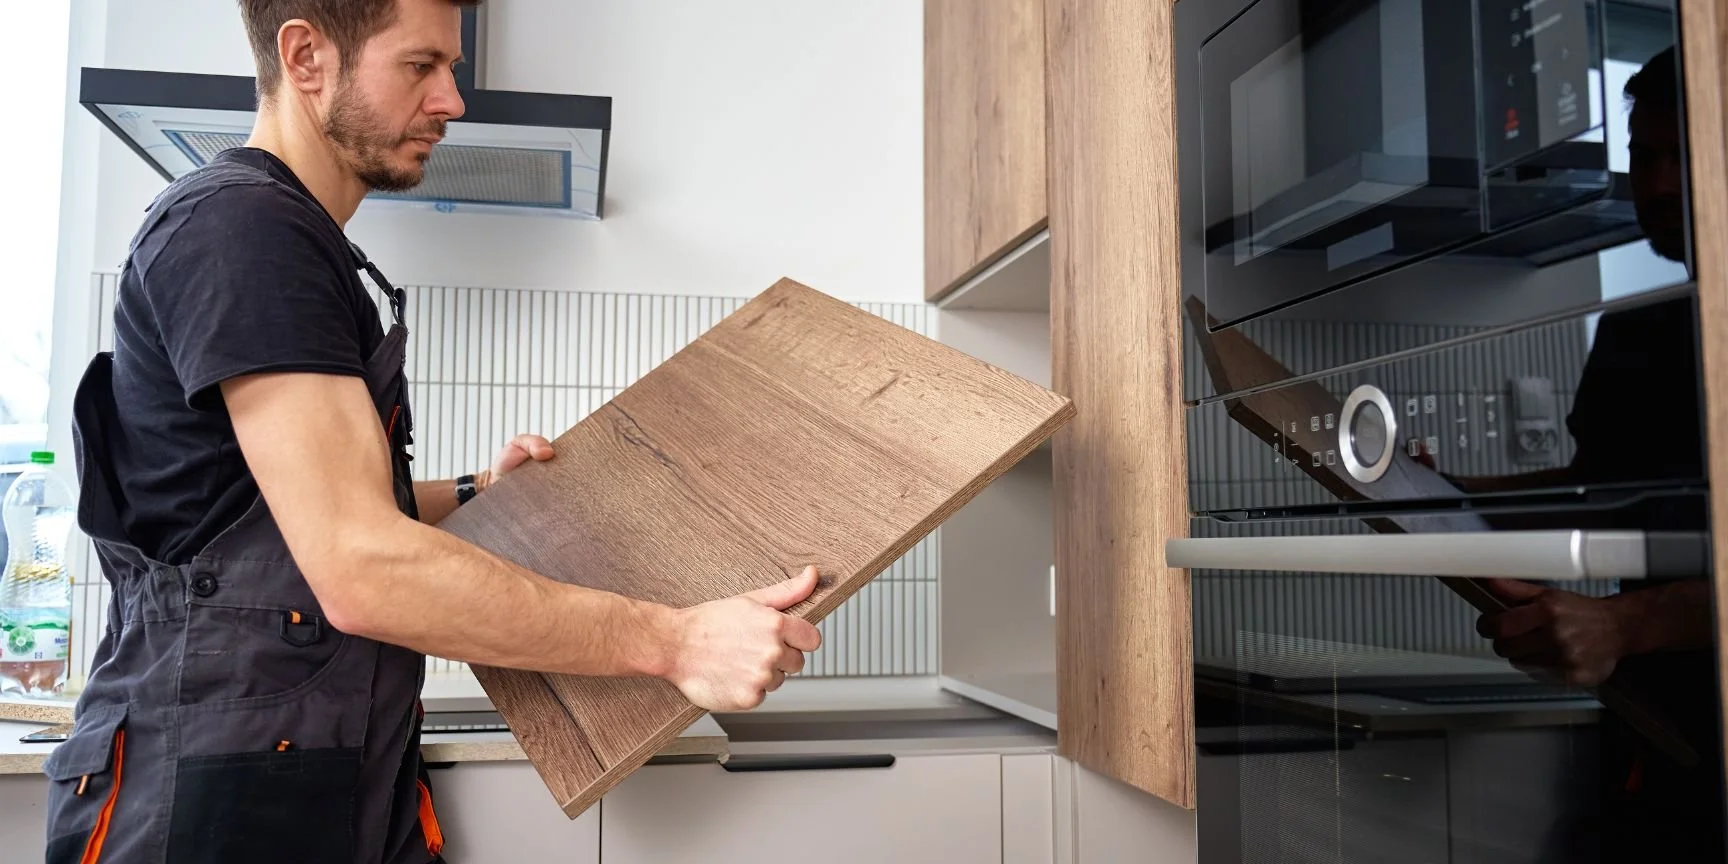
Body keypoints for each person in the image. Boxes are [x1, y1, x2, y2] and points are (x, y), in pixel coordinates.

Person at [41, 1, 822, 862]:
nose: (453, 100)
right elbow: (361, 566)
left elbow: (270, 522)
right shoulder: (244, 232)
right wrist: (675, 640)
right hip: (213, 796)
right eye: (421, 66)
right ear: (307, 57)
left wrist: (484, 495)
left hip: (317, 769)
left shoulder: (293, 238)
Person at [1467, 45, 1723, 861]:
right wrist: (1443, 498)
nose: (1654, 184)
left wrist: (1629, 622)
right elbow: (1601, 491)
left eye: (1681, 155)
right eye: (1643, 157)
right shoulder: (1639, 333)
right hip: (1650, 736)